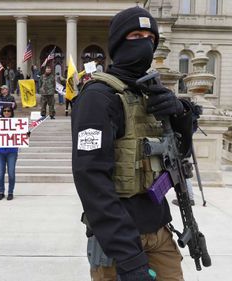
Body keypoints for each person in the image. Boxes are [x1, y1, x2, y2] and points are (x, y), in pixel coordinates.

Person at [71, 7, 196, 281]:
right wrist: (128, 257)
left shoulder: (150, 93)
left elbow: (180, 153)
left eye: (150, 38)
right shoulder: (98, 98)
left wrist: (181, 114)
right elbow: (91, 180)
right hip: (119, 241)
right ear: (117, 42)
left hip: (160, 232)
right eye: (136, 35)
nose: (145, 44)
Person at [0, 105, 19, 201]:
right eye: (4, 111)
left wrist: (26, 134)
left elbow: (21, 135)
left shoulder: (16, 123)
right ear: (2, 112)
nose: (6, 112)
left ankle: (10, 192)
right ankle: (1, 192)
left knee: (11, 173)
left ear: (11, 112)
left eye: (8, 111)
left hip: (12, 151)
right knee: (0, 174)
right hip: (0, 151)